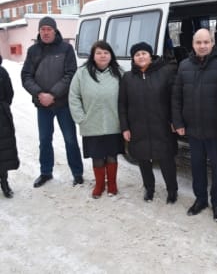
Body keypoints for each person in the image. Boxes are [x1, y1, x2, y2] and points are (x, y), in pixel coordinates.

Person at [172, 29, 217, 222]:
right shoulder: (184, 66)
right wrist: (178, 122)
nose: (202, 46)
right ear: (193, 44)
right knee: (197, 166)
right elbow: (176, 97)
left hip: (216, 129)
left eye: (206, 42)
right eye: (199, 42)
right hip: (193, 129)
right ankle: (200, 199)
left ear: (212, 43)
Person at [21, 16, 84, 188]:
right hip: (42, 105)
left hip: (63, 104)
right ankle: (45, 172)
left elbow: (70, 74)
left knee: (70, 140)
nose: (46, 32)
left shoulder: (66, 48)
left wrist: (53, 95)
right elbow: (26, 76)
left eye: (49, 29)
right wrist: (40, 94)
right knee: (45, 140)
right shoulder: (33, 51)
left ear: (55, 31)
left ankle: (77, 173)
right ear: (39, 31)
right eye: (43, 29)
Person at [119, 42, 178, 204]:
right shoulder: (127, 78)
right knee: (143, 160)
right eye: (137, 54)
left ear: (150, 55)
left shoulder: (165, 73)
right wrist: (125, 127)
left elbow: (174, 99)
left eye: (144, 53)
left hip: (162, 125)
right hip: (138, 127)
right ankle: (149, 189)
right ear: (133, 58)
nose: (141, 57)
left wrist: (175, 120)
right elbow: (122, 104)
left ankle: (172, 190)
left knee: (166, 160)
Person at [69, 41, 124, 198]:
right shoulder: (82, 73)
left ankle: (112, 184)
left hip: (114, 122)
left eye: (106, 52)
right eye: (99, 53)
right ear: (93, 56)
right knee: (97, 156)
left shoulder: (119, 72)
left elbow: (128, 96)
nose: (103, 56)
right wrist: (81, 118)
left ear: (111, 55)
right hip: (91, 123)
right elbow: (73, 96)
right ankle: (99, 185)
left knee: (112, 155)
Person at [0, 54, 20, 198]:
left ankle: (4, 184)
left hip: (1, 116)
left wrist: (3, 107)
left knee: (2, 152)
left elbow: (9, 94)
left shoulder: (2, 72)